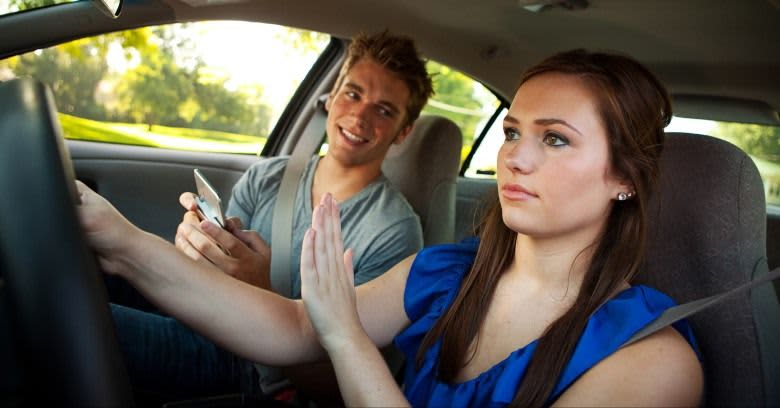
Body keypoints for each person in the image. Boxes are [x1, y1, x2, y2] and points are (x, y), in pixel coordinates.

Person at [78, 48, 703, 407]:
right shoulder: (451, 270)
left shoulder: (650, 361)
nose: (515, 156)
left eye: (556, 139)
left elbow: (329, 334)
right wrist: (125, 243)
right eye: (512, 132)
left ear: (625, 177)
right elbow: (297, 327)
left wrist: (346, 337)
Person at [108, 30, 433, 404]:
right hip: (203, 312)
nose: (359, 116)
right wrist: (196, 247)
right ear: (331, 97)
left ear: (402, 133)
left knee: (70, 322)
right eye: (353, 94)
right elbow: (211, 279)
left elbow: (341, 381)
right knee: (83, 272)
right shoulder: (269, 176)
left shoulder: (394, 231)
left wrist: (261, 288)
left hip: (256, 372)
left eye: (384, 110)